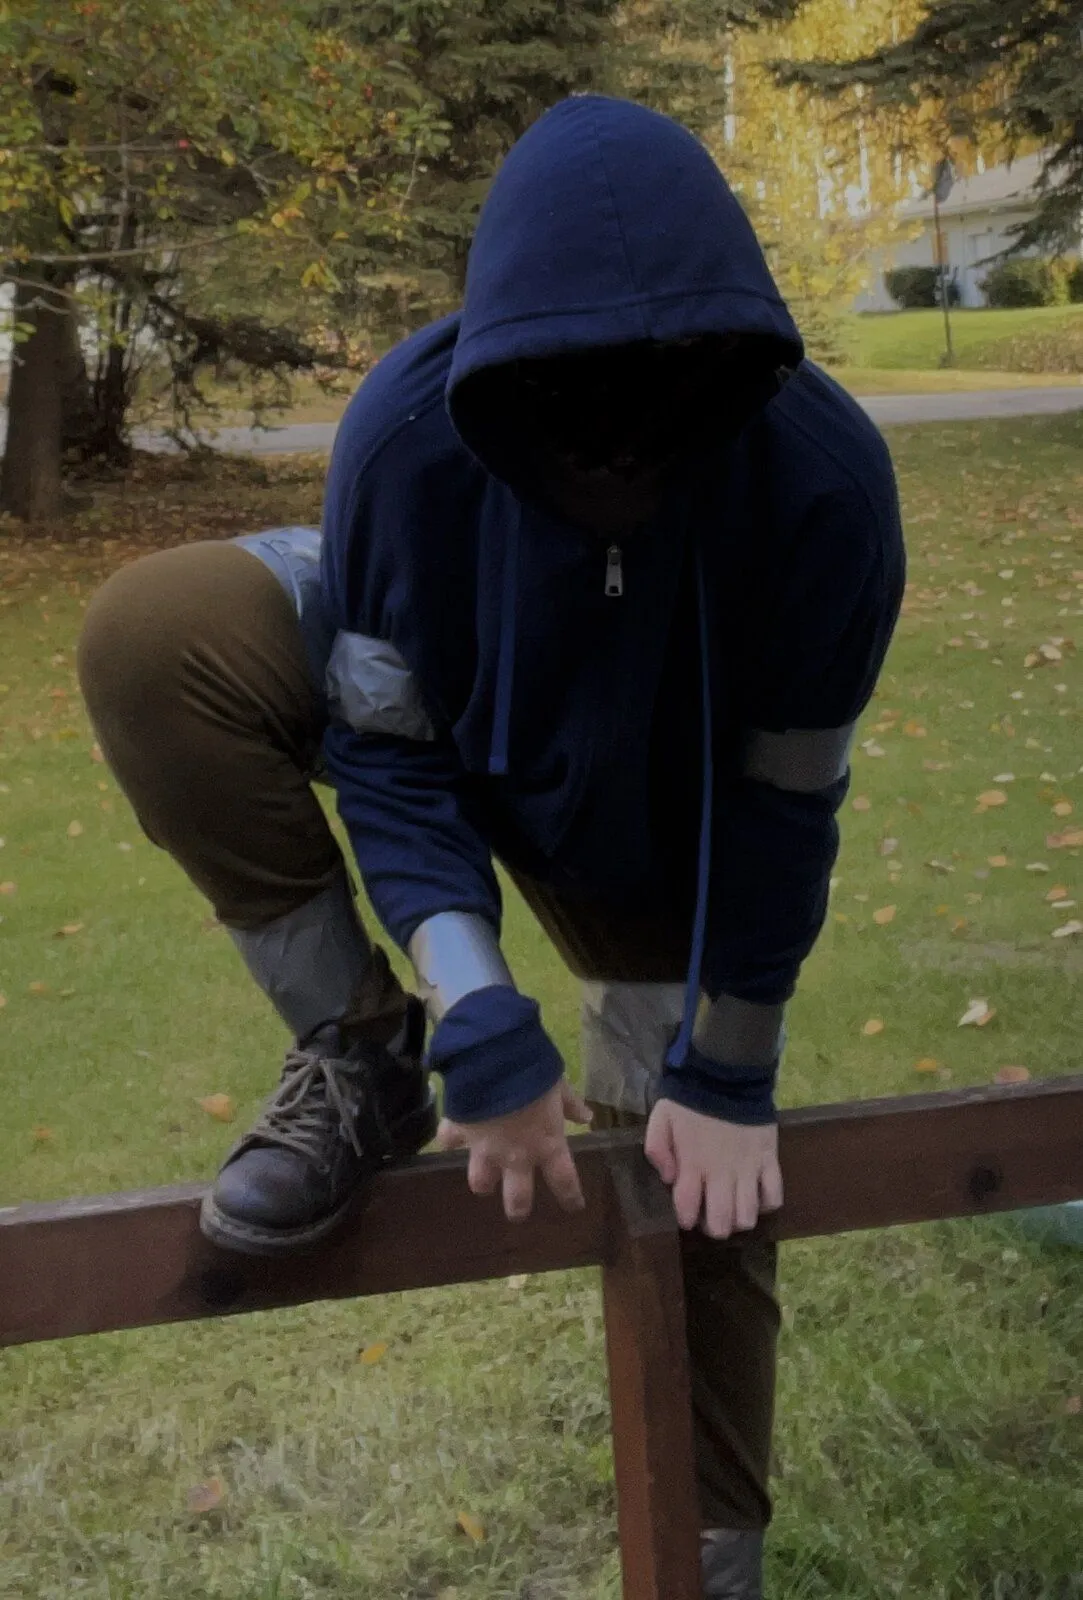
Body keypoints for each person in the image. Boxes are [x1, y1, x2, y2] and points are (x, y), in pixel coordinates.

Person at [77, 95, 904, 1599]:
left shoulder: (826, 490)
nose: (616, 455)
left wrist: (728, 1068)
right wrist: (476, 1018)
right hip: (455, 718)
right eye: (572, 410)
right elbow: (391, 762)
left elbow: (785, 807)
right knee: (156, 634)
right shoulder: (406, 437)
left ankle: (711, 1555)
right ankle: (358, 1059)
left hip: (660, 817)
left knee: (694, 1169)